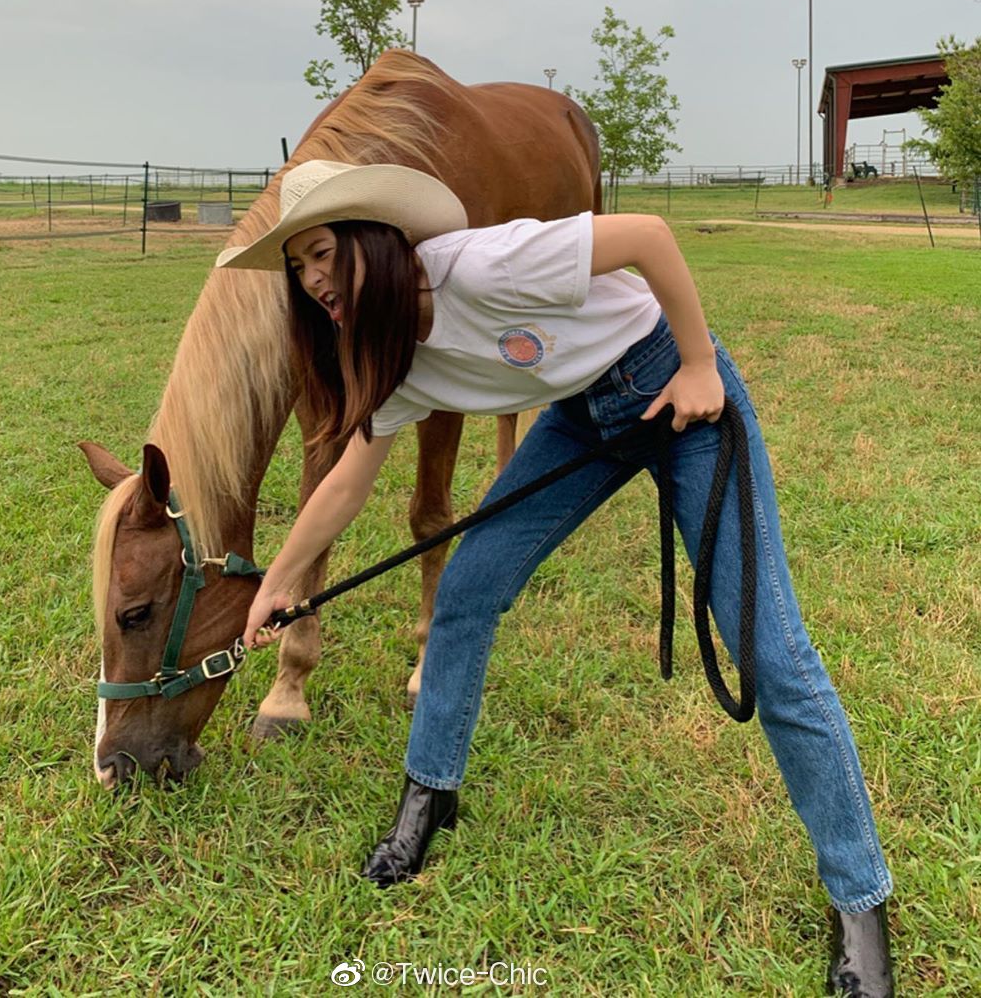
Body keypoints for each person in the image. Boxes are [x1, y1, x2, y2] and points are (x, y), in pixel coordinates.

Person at [218, 160, 894, 996]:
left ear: (375, 241)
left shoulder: (485, 265)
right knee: (465, 592)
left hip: (676, 392)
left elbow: (649, 237)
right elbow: (351, 477)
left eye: (321, 251)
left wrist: (697, 364)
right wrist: (280, 579)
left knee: (772, 651)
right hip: (580, 418)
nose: (314, 277)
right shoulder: (389, 351)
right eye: (299, 267)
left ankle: (860, 903)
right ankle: (429, 797)